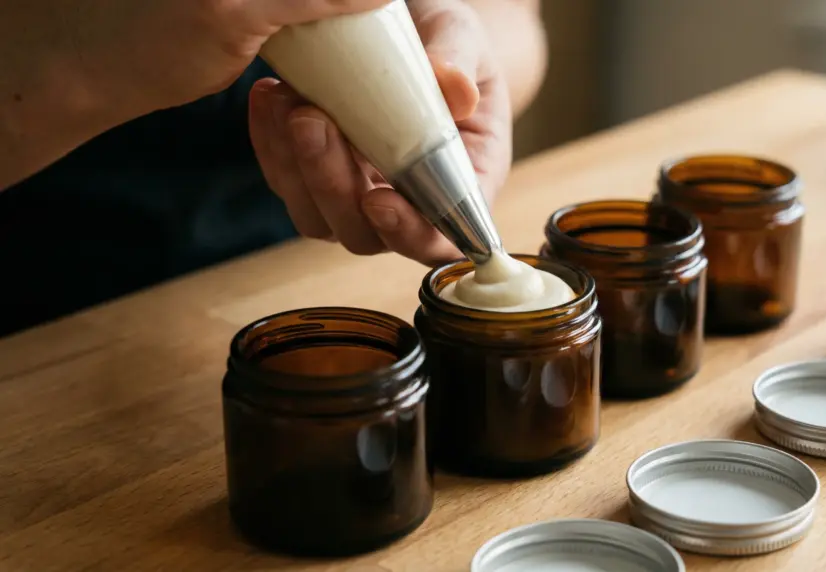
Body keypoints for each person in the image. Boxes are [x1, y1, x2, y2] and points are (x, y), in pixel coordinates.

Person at [0, 0, 547, 337]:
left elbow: (515, 16)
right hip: (33, 321)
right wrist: (75, 61)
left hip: (294, 279)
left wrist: (452, 43)